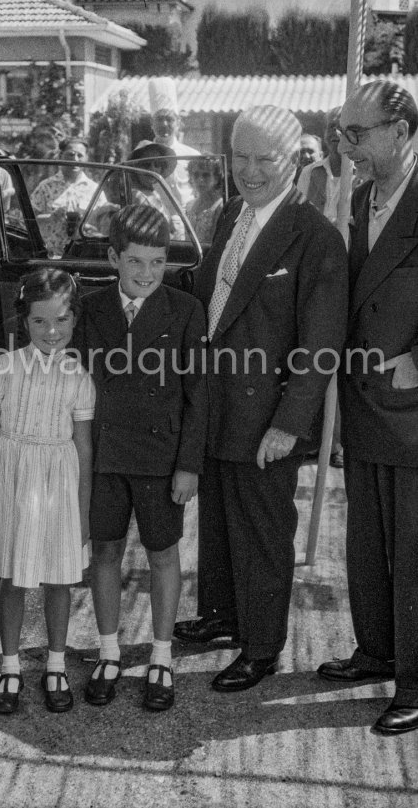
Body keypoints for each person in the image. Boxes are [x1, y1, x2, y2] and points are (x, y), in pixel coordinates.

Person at [173, 105, 348, 692]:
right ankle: (224, 616)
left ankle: (263, 646)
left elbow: (321, 346)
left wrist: (288, 426)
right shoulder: (231, 214)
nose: (248, 170)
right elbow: (210, 294)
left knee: (263, 533)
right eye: (238, 157)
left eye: (262, 159)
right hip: (219, 402)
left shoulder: (316, 238)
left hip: (266, 413)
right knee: (220, 520)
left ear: (296, 160)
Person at [73, 204, 207, 711]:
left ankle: (161, 656)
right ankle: (108, 652)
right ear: (113, 258)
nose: (146, 273)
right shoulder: (90, 308)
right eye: (134, 261)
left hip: (159, 458)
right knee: (104, 552)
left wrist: (188, 465)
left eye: (157, 262)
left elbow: (198, 394)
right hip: (104, 457)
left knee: (162, 555)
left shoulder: (185, 310)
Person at [316, 80, 418, 736]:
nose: (346, 144)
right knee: (367, 543)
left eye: (358, 132)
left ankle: (413, 680)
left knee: (412, 551)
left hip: (412, 410)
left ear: (401, 132)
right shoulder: (354, 201)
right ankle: (376, 651)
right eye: (342, 132)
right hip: (362, 405)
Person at [0, 269, 95, 715]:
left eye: (61, 320)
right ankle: (9, 667)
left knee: (59, 577)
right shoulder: (2, 366)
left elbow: (83, 444)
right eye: (40, 321)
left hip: (59, 480)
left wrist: (82, 511)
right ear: (23, 322)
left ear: (75, 321)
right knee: (13, 576)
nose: (51, 331)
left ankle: (56, 664)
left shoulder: (78, 375)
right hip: (13, 478)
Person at [298, 107, 345, 468]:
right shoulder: (311, 174)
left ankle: (339, 442)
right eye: (331, 127)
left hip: (353, 273)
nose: (336, 134)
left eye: (343, 128)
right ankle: (316, 438)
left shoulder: (362, 175)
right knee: (315, 354)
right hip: (317, 273)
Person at [31, 138, 101, 254]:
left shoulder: (95, 189)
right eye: (70, 155)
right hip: (51, 257)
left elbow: (104, 227)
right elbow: (29, 221)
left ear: (86, 158)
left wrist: (87, 226)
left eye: (80, 155)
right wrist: (50, 218)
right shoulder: (45, 187)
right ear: (60, 156)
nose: (75, 159)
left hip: (85, 257)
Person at [149, 77, 200, 207]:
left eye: (169, 119)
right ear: (152, 124)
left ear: (178, 123)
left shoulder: (193, 156)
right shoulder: (141, 157)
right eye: (159, 119)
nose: (164, 124)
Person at [127, 140, 184, 240]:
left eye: (157, 164)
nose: (152, 169)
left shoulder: (155, 194)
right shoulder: (138, 196)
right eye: (146, 164)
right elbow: (149, 236)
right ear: (135, 168)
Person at [185, 156, 224, 245]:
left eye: (206, 175)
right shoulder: (189, 205)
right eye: (196, 175)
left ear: (216, 178)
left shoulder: (221, 207)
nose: (200, 180)